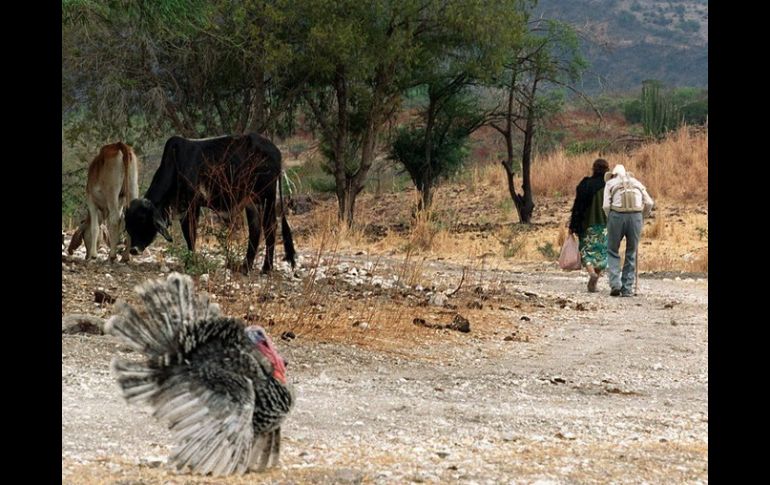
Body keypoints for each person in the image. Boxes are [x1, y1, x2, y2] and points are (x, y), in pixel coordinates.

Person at [603, 164, 654, 297]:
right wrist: (641, 216)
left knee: (612, 250)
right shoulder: (637, 182)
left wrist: (611, 218)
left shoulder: (610, 184)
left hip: (616, 216)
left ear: (613, 175)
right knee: (631, 251)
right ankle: (627, 288)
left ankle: (615, 284)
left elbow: (606, 206)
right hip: (636, 216)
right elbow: (649, 203)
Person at [569, 158, 610, 292]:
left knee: (586, 251)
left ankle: (591, 272)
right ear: (606, 170)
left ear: (593, 169)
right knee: (602, 253)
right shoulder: (609, 186)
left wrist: (572, 225)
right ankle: (595, 279)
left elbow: (577, 206)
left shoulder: (585, 184)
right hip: (604, 225)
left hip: (586, 224)